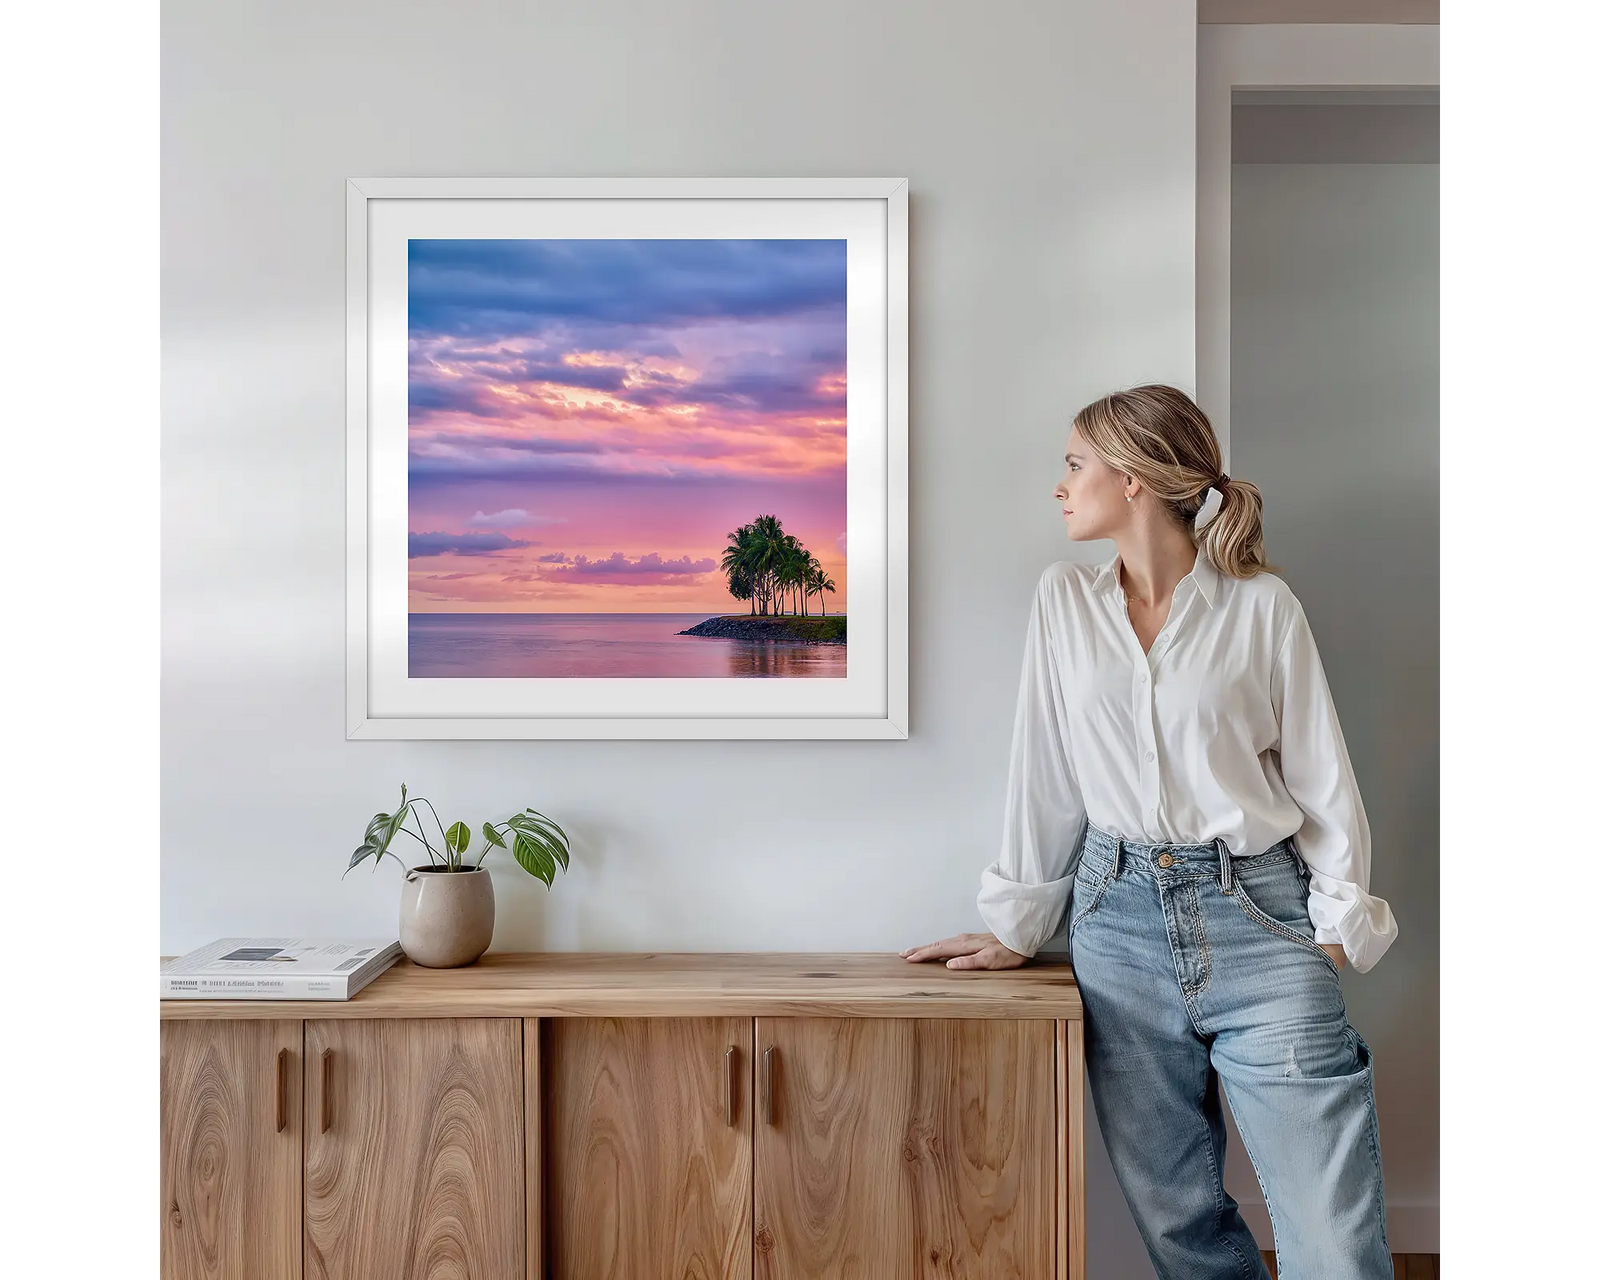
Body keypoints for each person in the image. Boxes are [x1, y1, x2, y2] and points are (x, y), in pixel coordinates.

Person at [902, 385, 1396, 1280]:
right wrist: (1019, 922)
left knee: (1332, 1234)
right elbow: (1045, 773)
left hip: (1260, 915)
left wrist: (1332, 933)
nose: (1060, 486)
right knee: (1180, 1226)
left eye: (1074, 464)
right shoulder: (1063, 602)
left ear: (1132, 479)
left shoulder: (1262, 607)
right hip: (1117, 924)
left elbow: (1323, 777)